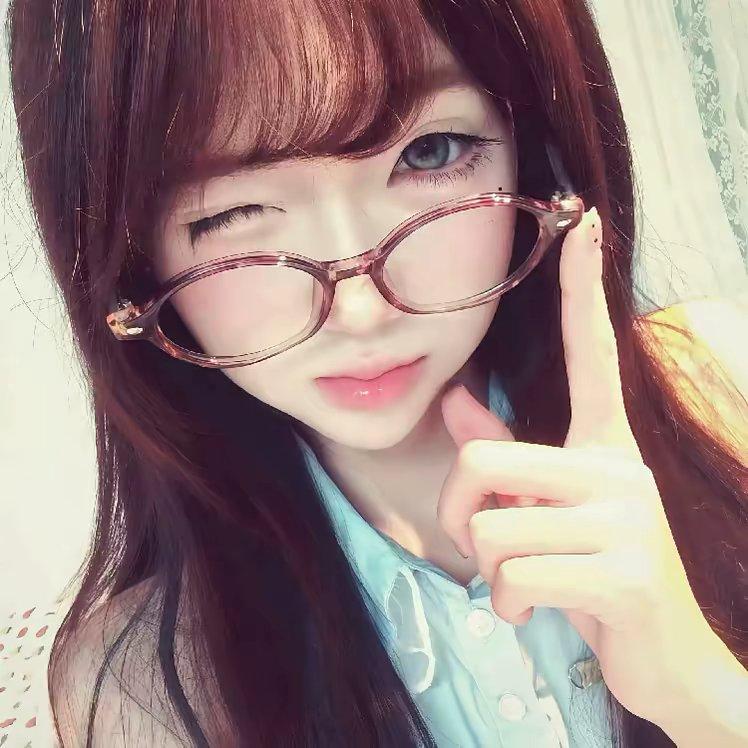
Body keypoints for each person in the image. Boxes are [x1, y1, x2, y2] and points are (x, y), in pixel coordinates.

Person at [5, 0, 747, 746]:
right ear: (131, 262)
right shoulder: (139, 691)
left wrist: (701, 693)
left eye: (429, 152)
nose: (359, 310)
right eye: (229, 212)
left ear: (537, 151)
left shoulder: (722, 385)